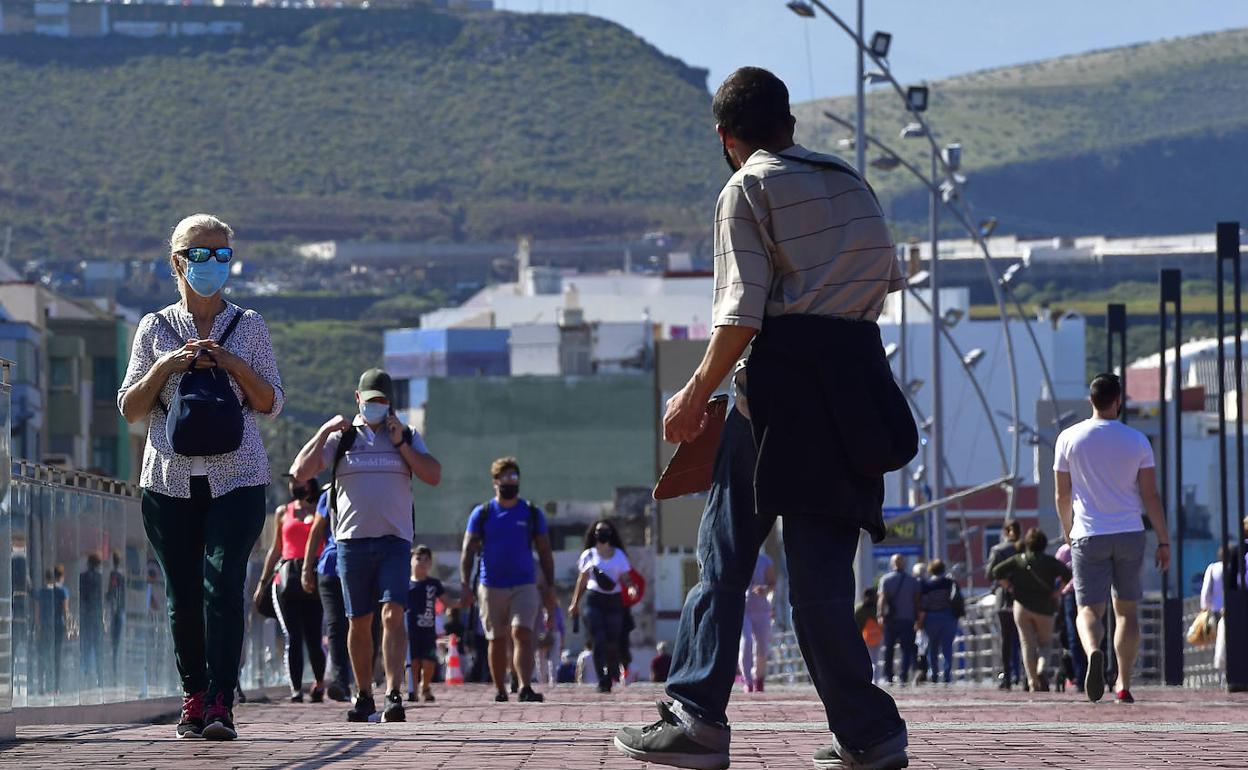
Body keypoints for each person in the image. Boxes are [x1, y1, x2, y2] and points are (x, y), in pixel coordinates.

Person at [614, 67, 914, 770]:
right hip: (853, 395)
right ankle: (869, 734)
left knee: (723, 561)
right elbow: (883, 283)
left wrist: (692, 396)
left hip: (775, 400)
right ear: (791, 122)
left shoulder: (745, 187)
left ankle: (696, 719)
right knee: (820, 582)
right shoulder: (850, 181)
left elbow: (742, 315)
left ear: (726, 138)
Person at [118, 214, 283, 740]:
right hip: (167, 479)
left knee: (223, 585)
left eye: (221, 255)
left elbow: (271, 402)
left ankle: (220, 702)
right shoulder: (154, 328)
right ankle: (192, 695)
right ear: (177, 262)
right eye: (200, 253)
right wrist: (165, 366)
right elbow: (130, 408)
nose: (211, 263)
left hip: (238, 476)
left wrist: (233, 364)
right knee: (183, 591)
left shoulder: (249, 325)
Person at [292, 367, 442, 723]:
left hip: (394, 541)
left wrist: (403, 443)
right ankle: (363, 694)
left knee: (393, 613)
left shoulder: (405, 435)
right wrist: (325, 430)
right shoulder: (342, 439)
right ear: (358, 399)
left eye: (382, 401)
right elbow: (300, 472)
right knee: (358, 622)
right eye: (370, 400)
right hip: (352, 543)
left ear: (390, 404)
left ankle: (392, 693)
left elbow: (433, 475)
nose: (376, 406)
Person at [1055, 373, 1169, 704]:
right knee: (1127, 612)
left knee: (1088, 610)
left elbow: (1062, 495)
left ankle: (1093, 651)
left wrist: (1068, 530)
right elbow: (1151, 496)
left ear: (1090, 400)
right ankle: (1123, 683)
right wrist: (1164, 541)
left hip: (1088, 534)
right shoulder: (1137, 441)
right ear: (1118, 400)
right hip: (1130, 533)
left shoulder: (1068, 438)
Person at [460, 457, 557, 703]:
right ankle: (500, 689)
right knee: (496, 637)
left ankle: (525, 686)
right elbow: (468, 550)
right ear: (495, 482)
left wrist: (550, 587)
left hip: (525, 583)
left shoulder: (532, 513)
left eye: (514, 477)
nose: (510, 482)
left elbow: (545, 551)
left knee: (523, 633)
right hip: (491, 584)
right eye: (504, 477)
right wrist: (464, 583)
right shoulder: (482, 514)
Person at [256, 476, 327, 703]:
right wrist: (262, 582)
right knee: (292, 635)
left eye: (298, 480)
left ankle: (320, 684)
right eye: (291, 481)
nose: (293, 485)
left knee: (314, 636)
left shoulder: (321, 509)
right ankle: (295, 689)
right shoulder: (282, 512)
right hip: (285, 580)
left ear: (310, 483)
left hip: (314, 578)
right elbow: (275, 549)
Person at [990, 528, 1071, 692]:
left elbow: (996, 571)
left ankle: (1033, 681)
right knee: (1045, 644)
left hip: (1022, 606)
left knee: (1027, 644)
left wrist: (1009, 587)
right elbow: (1067, 574)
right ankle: (1042, 668)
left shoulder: (1018, 559)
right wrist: (1057, 591)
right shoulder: (1049, 561)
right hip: (1045, 607)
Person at [569, 519, 634, 693]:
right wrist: (574, 603)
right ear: (594, 534)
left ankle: (612, 671)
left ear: (611, 533)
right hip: (593, 599)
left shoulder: (619, 555)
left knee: (612, 640)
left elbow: (626, 576)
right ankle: (602, 678)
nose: (602, 533)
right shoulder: (588, 555)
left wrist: (631, 587)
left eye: (605, 530)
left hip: (614, 601)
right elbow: (581, 580)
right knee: (598, 638)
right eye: (599, 530)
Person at [406, 545, 465, 703]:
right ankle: (413, 689)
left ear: (431, 564)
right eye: (418, 559)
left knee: (429, 661)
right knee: (414, 662)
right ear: (411, 561)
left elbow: (447, 601)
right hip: (410, 631)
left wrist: (461, 603)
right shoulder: (406, 584)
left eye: (426, 560)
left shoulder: (433, 584)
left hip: (428, 630)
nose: (422, 563)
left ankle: (425, 686)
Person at [311, 485, 351, 702]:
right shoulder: (329, 495)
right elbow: (317, 530)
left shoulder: (369, 488)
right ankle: (340, 681)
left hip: (359, 566)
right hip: (330, 567)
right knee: (336, 626)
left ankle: (362, 681)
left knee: (360, 623)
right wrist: (308, 568)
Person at [986, 520, 1023, 690]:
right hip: (1023, 597)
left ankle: (1007, 676)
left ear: (1005, 532)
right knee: (1025, 638)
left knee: (1006, 640)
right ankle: (1025, 675)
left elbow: (989, 574)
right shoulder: (1024, 548)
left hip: (1004, 599)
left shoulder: (997, 550)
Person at [877, 554, 920, 686]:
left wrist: (880, 615)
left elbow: (882, 599)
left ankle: (888, 676)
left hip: (891, 620)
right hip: (908, 619)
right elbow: (917, 601)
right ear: (904, 564)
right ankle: (903, 676)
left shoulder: (886, 579)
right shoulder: (913, 581)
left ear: (892, 564)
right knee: (906, 649)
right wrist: (917, 618)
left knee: (889, 648)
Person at [738, 550, 776, 693]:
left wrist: (765, 589)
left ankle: (758, 678)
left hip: (762, 610)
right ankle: (747, 681)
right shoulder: (738, 558)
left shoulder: (765, 560)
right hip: (743, 610)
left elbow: (773, 583)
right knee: (746, 641)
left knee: (762, 647)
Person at [916, 559, 959, 685]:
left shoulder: (927, 585)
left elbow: (923, 605)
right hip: (948, 616)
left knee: (932, 647)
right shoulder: (950, 583)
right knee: (947, 647)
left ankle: (933, 674)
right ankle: (947, 674)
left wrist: (920, 621)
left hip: (931, 617)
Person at [1055, 543, 1086, 691]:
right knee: (1094, 631)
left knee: (1073, 635)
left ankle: (1080, 677)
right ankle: (1096, 670)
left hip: (1071, 594)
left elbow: (1057, 575)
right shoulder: (1092, 543)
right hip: (1092, 592)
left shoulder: (1065, 550)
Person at [79, 553, 106, 689]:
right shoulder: (100, 578)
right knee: (97, 647)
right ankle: (100, 678)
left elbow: (81, 598)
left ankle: (86, 677)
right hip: (96, 615)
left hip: (86, 615)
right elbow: (101, 599)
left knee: (86, 647)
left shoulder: (82, 577)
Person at [1200, 548, 1228, 674]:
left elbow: (1206, 591)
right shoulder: (1236, 566)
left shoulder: (1213, 568)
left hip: (1215, 609)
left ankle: (1219, 671)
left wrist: (1204, 608)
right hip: (1231, 608)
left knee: (1217, 641)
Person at [855, 587, 883, 683]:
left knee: (867, 660)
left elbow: (856, 625)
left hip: (865, 638)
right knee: (875, 660)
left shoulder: (859, 610)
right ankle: (876, 680)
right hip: (877, 637)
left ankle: (868, 680)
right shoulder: (877, 609)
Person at [106, 550, 126, 683]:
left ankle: (114, 673)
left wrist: (108, 598)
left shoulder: (114, 575)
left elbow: (112, 593)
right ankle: (115, 673)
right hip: (120, 611)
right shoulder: (122, 575)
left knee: (114, 643)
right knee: (116, 642)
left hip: (116, 612)